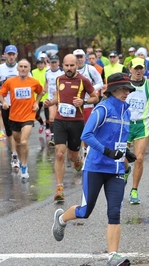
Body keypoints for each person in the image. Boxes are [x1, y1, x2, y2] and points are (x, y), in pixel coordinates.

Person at [51, 73, 136, 266]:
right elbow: (86, 135)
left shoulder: (126, 111)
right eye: (123, 89)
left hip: (115, 169)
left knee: (114, 212)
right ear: (113, 90)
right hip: (95, 167)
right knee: (85, 211)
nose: (127, 92)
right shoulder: (103, 109)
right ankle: (62, 218)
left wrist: (125, 153)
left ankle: (113, 256)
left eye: (128, 89)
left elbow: (119, 138)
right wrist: (107, 151)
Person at [43, 54, 99, 201]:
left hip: (76, 122)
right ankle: (59, 189)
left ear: (77, 65)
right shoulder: (59, 79)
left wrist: (84, 101)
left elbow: (95, 97)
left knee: (72, 156)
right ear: (63, 65)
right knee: (59, 153)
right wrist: (50, 102)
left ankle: (77, 161)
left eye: (71, 65)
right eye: (66, 65)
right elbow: (59, 97)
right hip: (60, 121)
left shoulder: (83, 80)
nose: (69, 68)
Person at [0, 59, 43, 179]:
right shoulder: (10, 81)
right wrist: (3, 103)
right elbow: (0, 94)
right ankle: (20, 159)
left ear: (29, 69)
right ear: (17, 69)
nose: (23, 69)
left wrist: (37, 102)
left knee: (24, 141)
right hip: (14, 116)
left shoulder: (34, 82)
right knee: (17, 142)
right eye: (21, 67)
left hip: (28, 115)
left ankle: (24, 165)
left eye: (25, 67)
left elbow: (40, 92)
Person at [125, 57, 149, 204]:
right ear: (130, 69)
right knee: (122, 159)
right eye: (136, 68)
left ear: (144, 70)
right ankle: (126, 170)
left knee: (139, 158)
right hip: (125, 125)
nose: (138, 71)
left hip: (142, 125)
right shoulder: (124, 84)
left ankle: (134, 190)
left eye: (141, 68)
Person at [0, 44, 21, 169]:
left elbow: (30, 83)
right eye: (8, 54)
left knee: (18, 132)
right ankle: (14, 154)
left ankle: (19, 150)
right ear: (5, 55)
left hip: (20, 104)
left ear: (16, 55)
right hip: (5, 104)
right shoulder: (0, 68)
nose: (11, 57)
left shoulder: (22, 67)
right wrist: (1, 83)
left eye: (13, 54)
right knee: (9, 131)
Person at [44, 54, 64, 146]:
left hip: (61, 98)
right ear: (49, 63)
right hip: (51, 98)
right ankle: (53, 136)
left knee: (61, 117)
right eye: (52, 62)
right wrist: (44, 91)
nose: (54, 64)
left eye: (55, 62)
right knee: (51, 117)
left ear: (59, 63)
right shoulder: (47, 72)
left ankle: (63, 134)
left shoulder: (62, 72)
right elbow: (46, 83)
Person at [31, 57, 49, 135]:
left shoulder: (47, 71)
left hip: (46, 96)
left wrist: (45, 89)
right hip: (37, 97)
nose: (40, 65)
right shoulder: (33, 72)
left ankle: (48, 128)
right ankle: (42, 123)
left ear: (44, 64)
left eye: (41, 63)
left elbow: (49, 82)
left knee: (47, 114)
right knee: (36, 114)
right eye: (38, 63)